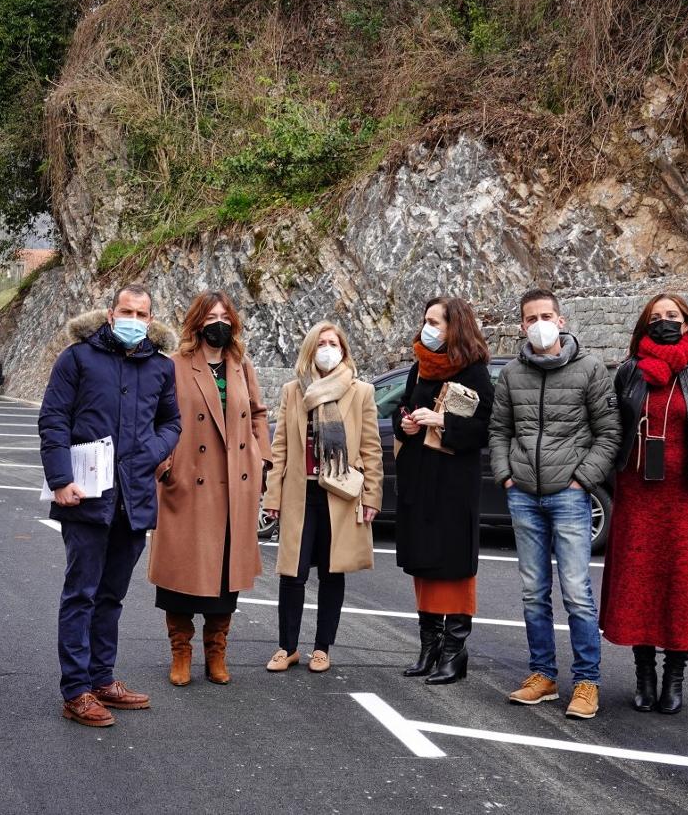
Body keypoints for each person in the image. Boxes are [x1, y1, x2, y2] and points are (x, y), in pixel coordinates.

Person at [39, 285, 182, 728]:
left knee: (112, 595)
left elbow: (171, 421)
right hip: (86, 496)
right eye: (126, 311)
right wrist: (61, 480)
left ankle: (102, 678)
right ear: (109, 312)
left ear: (151, 318)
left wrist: (150, 450)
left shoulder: (160, 367)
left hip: (134, 497)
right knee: (81, 593)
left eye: (142, 313)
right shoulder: (77, 358)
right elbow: (53, 419)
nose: (133, 319)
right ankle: (76, 691)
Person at [600, 294, 688, 715]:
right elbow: (614, 428)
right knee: (640, 585)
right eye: (655, 317)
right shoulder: (628, 374)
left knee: (681, 585)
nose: (663, 322)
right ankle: (644, 675)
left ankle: (675, 676)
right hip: (638, 495)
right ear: (643, 327)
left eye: (671, 316)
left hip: (687, 498)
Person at [489, 288, 621, 720]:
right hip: (524, 494)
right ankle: (542, 675)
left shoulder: (590, 369)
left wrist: (583, 479)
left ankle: (586, 682)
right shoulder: (511, 373)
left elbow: (609, 433)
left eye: (547, 314)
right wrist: (506, 475)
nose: (540, 323)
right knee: (533, 592)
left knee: (578, 593)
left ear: (561, 320)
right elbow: (499, 429)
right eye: (532, 317)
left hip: (569, 495)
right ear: (522, 326)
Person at [149, 291, 271, 686]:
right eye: (210, 315)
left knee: (224, 578)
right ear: (197, 322)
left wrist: (260, 458)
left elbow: (257, 413)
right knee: (181, 577)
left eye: (224, 316)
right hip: (188, 482)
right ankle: (180, 652)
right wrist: (165, 466)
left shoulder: (240, 365)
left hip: (234, 485)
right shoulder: (175, 365)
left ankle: (216, 653)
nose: (218, 322)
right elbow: (156, 417)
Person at [262, 321, 384, 673]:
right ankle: (287, 647)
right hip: (301, 492)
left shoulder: (360, 392)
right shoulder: (292, 391)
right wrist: (272, 495)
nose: (327, 348)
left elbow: (371, 449)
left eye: (333, 343)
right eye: (321, 343)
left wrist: (372, 495)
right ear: (310, 350)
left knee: (334, 571)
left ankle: (321, 648)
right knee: (292, 573)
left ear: (344, 350)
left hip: (342, 494)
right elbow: (280, 447)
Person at [392, 297, 494, 685]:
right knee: (423, 560)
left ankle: (454, 651)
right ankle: (429, 646)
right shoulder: (419, 369)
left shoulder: (474, 371)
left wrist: (442, 421)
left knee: (452, 564)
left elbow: (485, 427)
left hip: (453, 484)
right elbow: (401, 411)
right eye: (425, 319)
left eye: (435, 321)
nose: (427, 327)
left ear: (456, 327)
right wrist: (408, 424)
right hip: (419, 478)